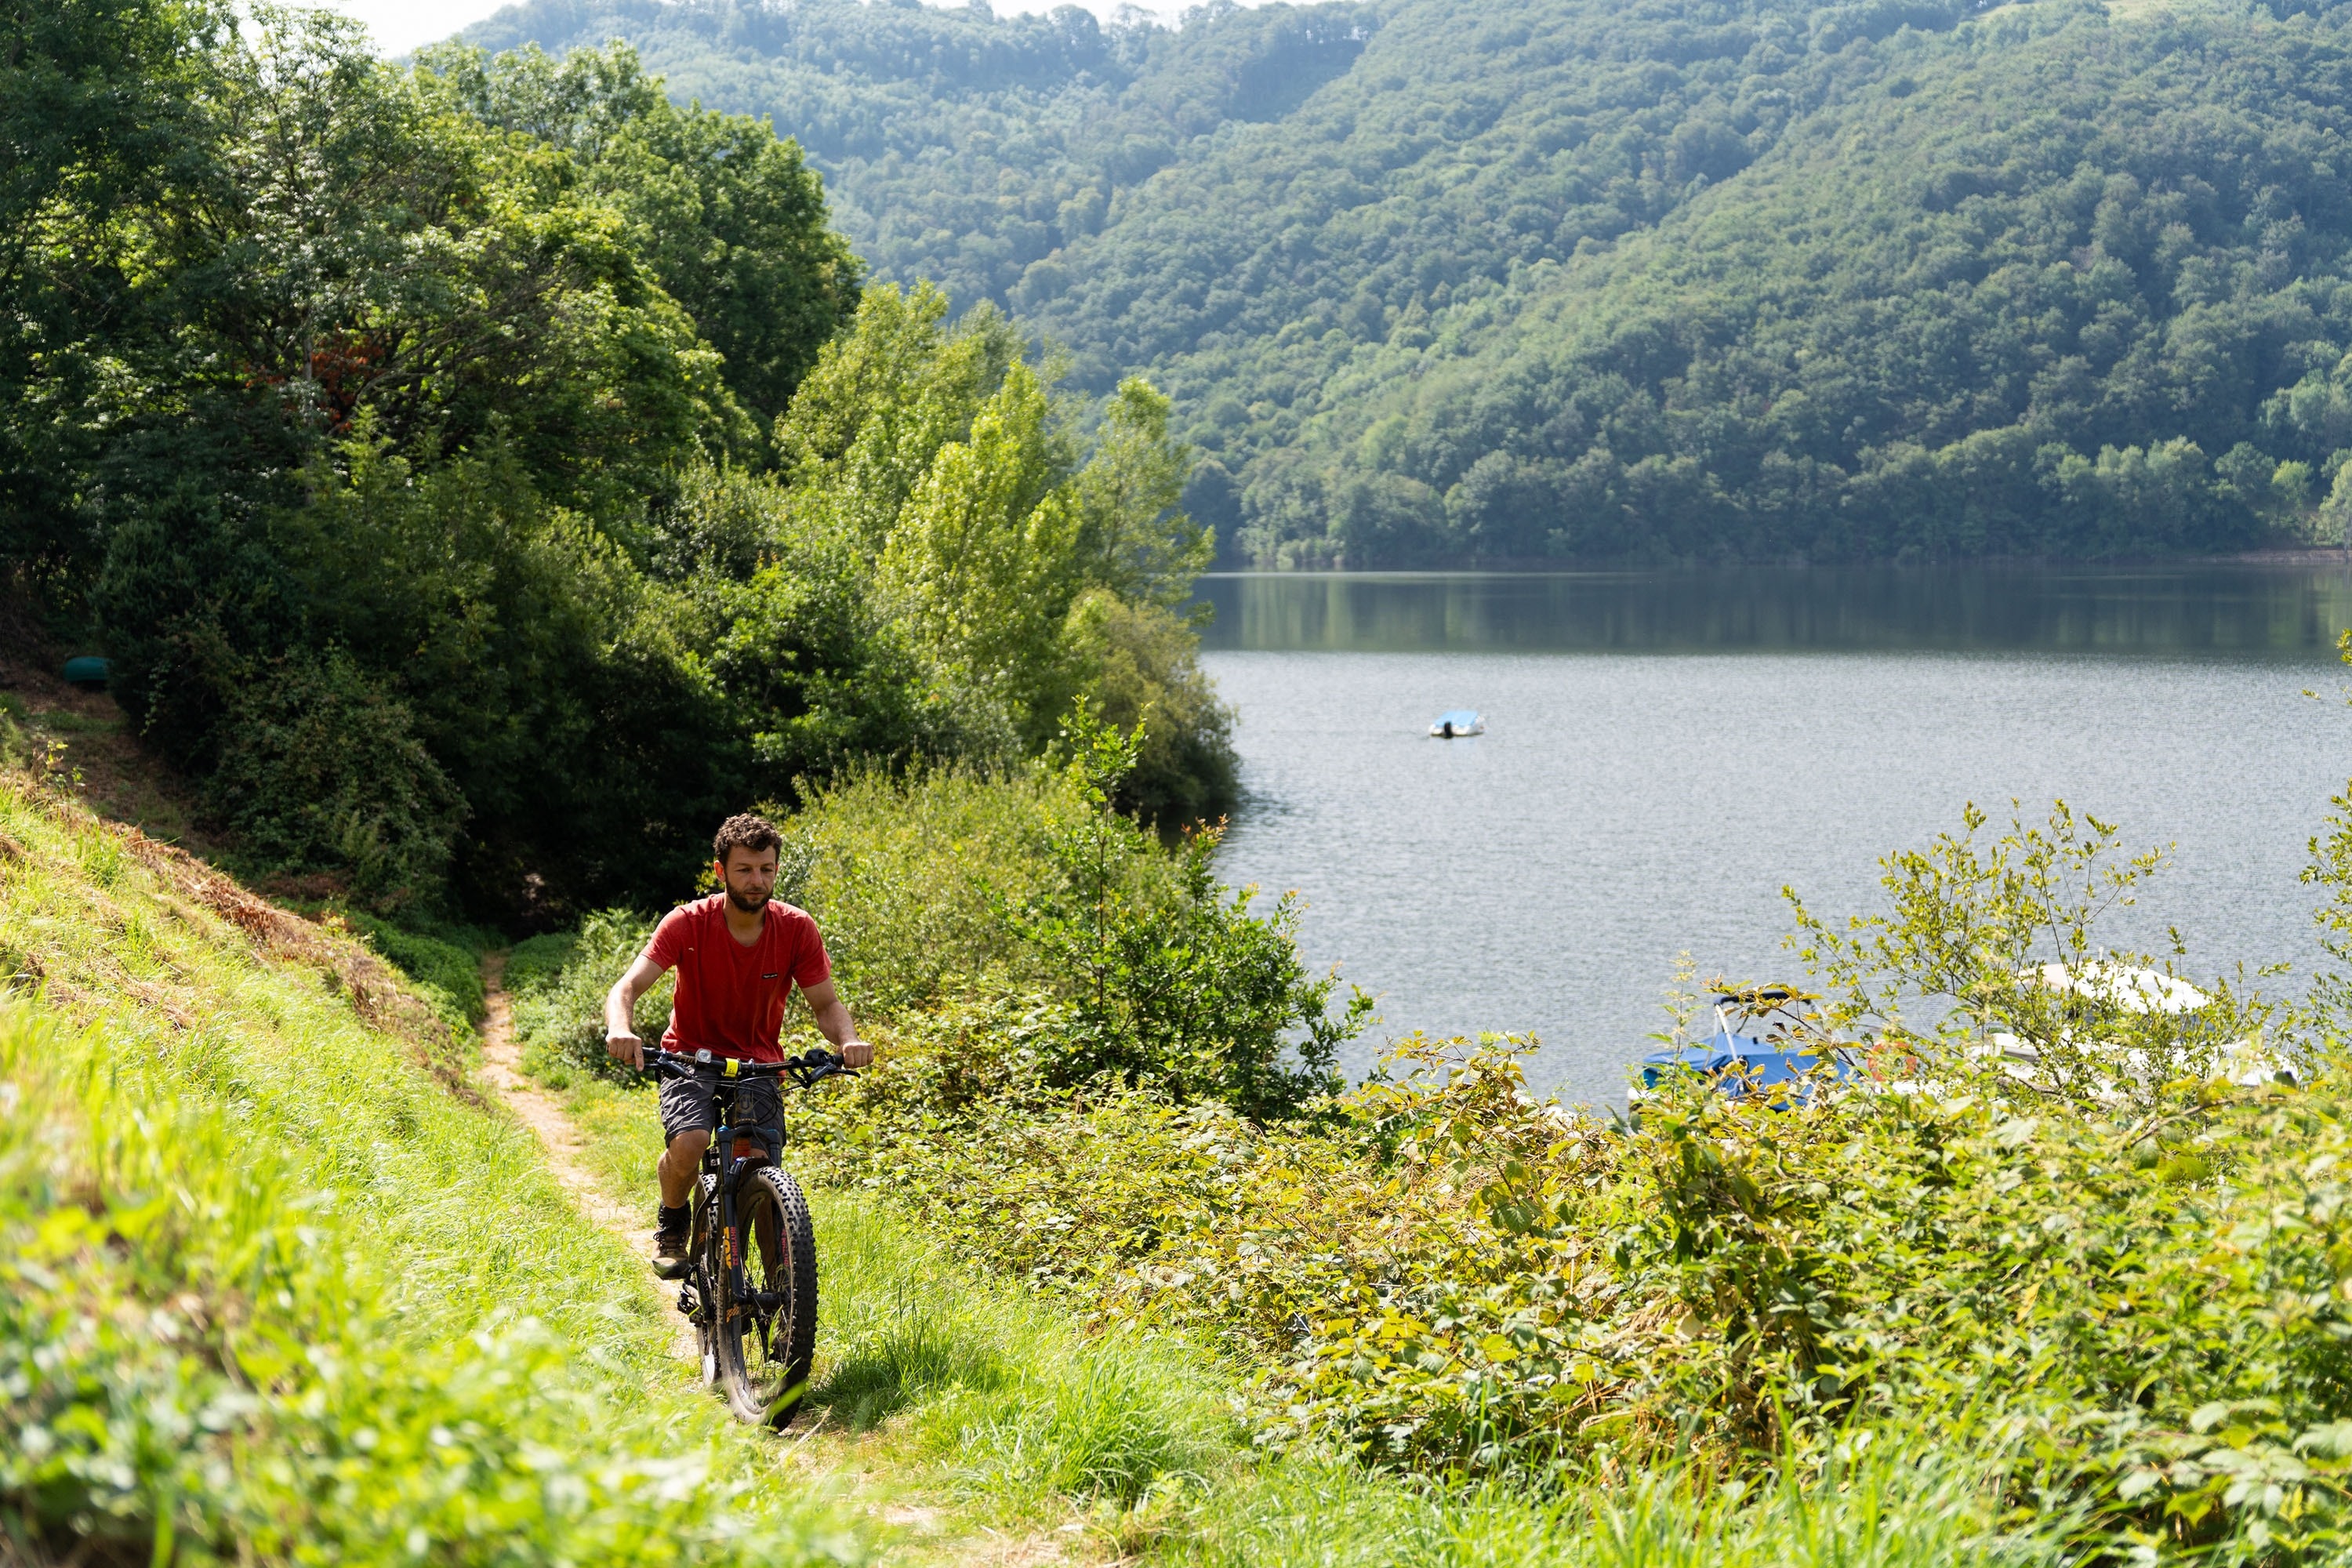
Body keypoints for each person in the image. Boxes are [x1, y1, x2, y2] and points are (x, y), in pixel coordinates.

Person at [604, 812, 873, 1276]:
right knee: (690, 1142)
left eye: (766, 869)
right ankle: (672, 1221)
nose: (757, 880)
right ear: (720, 871)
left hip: (760, 1064)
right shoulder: (687, 923)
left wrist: (849, 1039)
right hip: (690, 1056)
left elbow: (826, 1005)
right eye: (745, 869)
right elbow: (626, 988)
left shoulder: (796, 928)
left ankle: (786, 1298)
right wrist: (620, 1029)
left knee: (763, 1166)